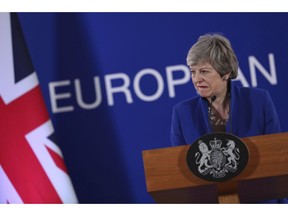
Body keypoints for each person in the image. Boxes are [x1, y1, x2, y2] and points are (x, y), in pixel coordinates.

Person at [170, 33, 287, 203]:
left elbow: (277, 159)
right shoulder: (182, 113)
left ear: (225, 72)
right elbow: (182, 174)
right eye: (192, 72)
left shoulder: (259, 101)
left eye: (204, 71)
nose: (196, 79)